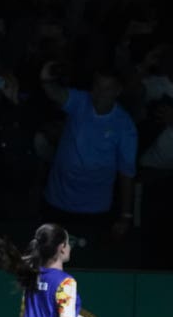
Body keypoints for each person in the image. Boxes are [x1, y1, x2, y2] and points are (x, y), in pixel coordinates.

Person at [40, 62, 138, 240]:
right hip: (57, 200)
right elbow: (56, 93)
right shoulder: (79, 101)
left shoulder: (125, 125)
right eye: (97, 86)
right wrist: (46, 79)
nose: (100, 93)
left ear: (118, 91)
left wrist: (125, 216)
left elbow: (127, 173)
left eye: (107, 88)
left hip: (95, 209)